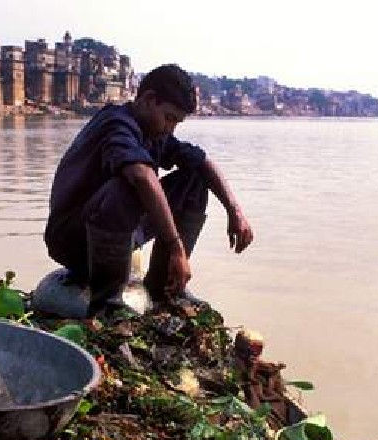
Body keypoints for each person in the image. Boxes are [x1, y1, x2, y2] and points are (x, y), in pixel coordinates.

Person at [44, 63, 253, 316]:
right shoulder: (116, 124)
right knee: (130, 184)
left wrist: (235, 211)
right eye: (169, 118)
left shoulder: (153, 131)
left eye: (176, 122)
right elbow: (141, 176)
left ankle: (164, 288)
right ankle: (107, 305)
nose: (170, 128)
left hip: (114, 232)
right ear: (149, 99)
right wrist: (177, 248)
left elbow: (203, 162)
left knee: (194, 180)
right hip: (71, 239)